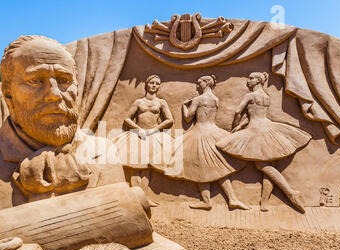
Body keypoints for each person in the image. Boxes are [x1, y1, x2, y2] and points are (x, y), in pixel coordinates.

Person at [0, 35, 125, 219]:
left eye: (65, 80)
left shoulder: (105, 150)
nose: (55, 94)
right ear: (8, 93)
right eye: (35, 81)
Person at [217, 72, 311, 213]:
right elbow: (254, 115)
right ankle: (265, 202)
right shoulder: (266, 97)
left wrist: (234, 128)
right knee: (268, 165)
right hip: (268, 127)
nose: (248, 81)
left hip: (256, 131)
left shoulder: (249, 96)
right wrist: (241, 126)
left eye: (251, 79)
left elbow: (238, 112)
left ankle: (290, 192)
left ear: (258, 80)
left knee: (262, 165)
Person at [155, 75, 249, 210]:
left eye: (199, 83)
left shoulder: (198, 99)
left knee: (200, 168)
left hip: (200, 133)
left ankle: (207, 201)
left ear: (206, 83)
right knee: (218, 167)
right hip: (214, 133)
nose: (197, 86)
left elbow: (188, 118)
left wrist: (183, 107)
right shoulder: (215, 99)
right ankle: (232, 198)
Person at [113, 75, 174, 207]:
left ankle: (144, 198)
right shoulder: (139, 102)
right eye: (151, 83)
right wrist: (138, 128)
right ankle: (135, 197)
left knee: (147, 167)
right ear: (146, 84)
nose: (154, 85)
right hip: (137, 135)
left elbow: (169, 120)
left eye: (157, 83)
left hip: (153, 135)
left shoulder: (161, 102)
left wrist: (155, 129)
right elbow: (127, 119)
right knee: (135, 166)